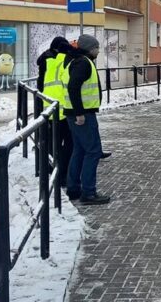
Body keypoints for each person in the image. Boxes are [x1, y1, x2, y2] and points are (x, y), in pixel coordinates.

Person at [61, 34, 110, 205]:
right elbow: (73, 87)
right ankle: (88, 192)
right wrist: (80, 113)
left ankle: (73, 188)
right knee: (93, 151)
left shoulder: (75, 61)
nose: (98, 50)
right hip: (83, 115)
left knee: (80, 150)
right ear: (90, 48)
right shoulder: (83, 63)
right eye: (96, 47)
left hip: (73, 113)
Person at [37, 36, 74, 187]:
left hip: (49, 106)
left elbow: (41, 84)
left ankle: (52, 171)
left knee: (53, 143)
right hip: (62, 108)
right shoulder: (58, 61)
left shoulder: (46, 60)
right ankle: (60, 174)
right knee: (67, 143)